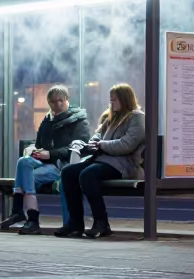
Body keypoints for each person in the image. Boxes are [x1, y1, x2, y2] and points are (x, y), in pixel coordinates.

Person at [56, 83, 145, 239]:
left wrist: (101, 145)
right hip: (103, 160)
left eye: (114, 100)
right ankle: (75, 224)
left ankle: (101, 223)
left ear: (124, 99)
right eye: (110, 100)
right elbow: (97, 135)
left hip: (123, 164)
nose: (111, 103)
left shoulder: (137, 117)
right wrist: (92, 144)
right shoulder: (113, 116)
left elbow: (127, 144)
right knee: (68, 172)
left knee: (88, 175)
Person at [0, 85, 90, 235]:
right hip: (46, 164)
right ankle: (31, 218)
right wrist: (36, 151)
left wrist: (50, 154)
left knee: (24, 177)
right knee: (23, 161)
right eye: (53, 102)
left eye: (60, 101)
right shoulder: (47, 121)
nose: (57, 105)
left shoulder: (79, 121)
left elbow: (79, 147)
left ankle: (23, 213)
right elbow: (40, 144)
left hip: (63, 166)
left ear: (67, 100)